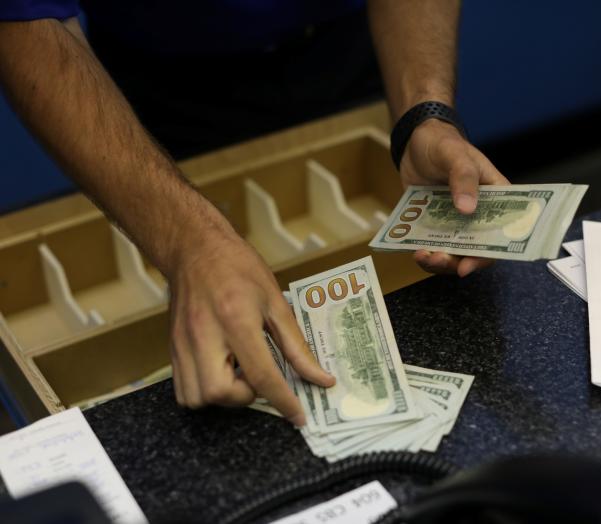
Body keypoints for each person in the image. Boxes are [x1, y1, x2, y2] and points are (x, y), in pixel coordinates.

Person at [0, 1, 508, 426]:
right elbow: (24, 17)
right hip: (161, 82)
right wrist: (188, 241)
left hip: (351, 41)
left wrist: (423, 111)